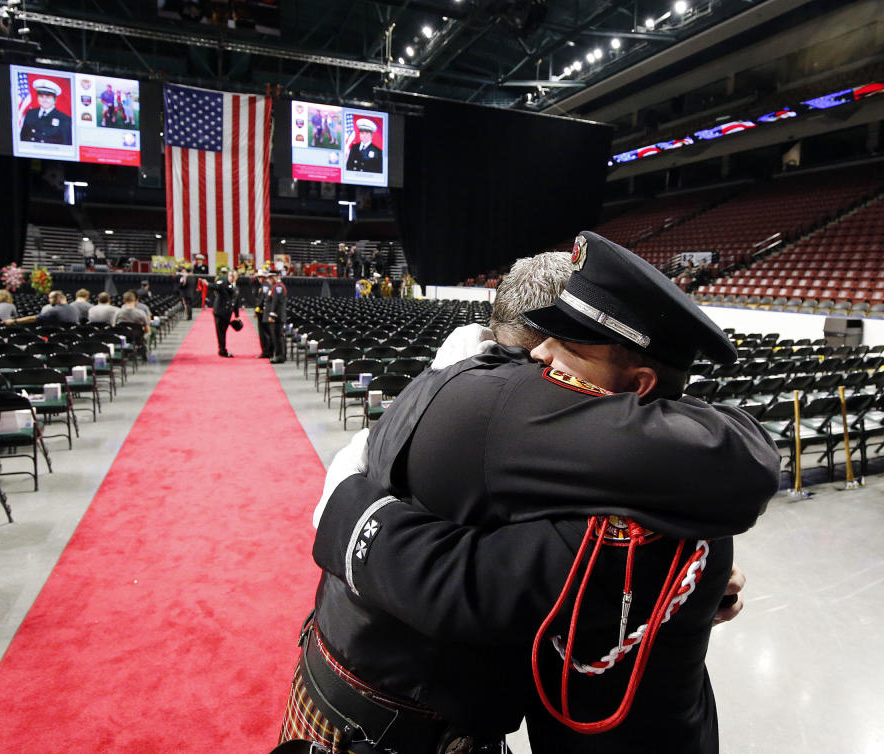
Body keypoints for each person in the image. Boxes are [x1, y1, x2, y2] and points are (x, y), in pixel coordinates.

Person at [278, 237, 781, 753]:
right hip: (395, 718)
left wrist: (684, 587)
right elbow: (466, 584)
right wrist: (349, 512)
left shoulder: (453, 372)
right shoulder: (506, 404)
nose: (544, 364)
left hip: (355, 679)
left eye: (567, 345)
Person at [19, 79, 72, 145]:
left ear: (55, 99)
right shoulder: (30, 113)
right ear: (37, 98)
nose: (44, 100)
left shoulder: (65, 119)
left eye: (48, 97)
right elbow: (23, 137)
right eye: (41, 96)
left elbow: (66, 143)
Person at [210, 267, 240, 358]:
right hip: (219, 311)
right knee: (220, 332)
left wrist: (237, 315)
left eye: (234, 276)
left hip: (227, 313)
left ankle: (222, 348)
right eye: (231, 275)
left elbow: (236, 302)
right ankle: (222, 350)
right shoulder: (223, 284)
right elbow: (214, 286)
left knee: (223, 331)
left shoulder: (236, 287)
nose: (232, 277)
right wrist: (206, 283)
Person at [4, 290, 78, 326]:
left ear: (58, 298)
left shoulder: (54, 310)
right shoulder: (73, 308)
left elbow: (32, 319)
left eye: (51, 298)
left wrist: (14, 321)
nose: (49, 300)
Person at [262, 271, 287, 363]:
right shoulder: (276, 287)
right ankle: (280, 355)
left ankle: (279, 356)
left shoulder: (278, 287)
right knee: (277, 337)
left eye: (270, 278)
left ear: (274, 277)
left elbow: (275, 302)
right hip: (278, 316)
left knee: (277, 337)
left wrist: (272, 315)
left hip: (277, 317)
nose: (269, 280)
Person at [253, 270, 272, 358]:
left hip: (263, 313)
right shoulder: (266, 286)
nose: (259, 279)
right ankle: (268, 351)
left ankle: (265, 351)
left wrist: (257, 311)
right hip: (265, 312)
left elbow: (262, 300)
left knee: (263, 333)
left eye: (260, 277)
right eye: (258, 277)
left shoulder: (265, 286)